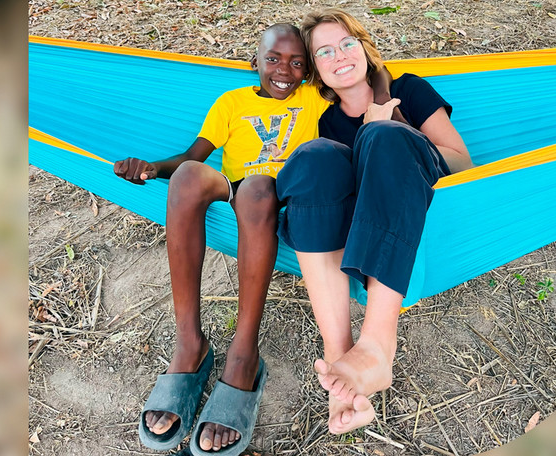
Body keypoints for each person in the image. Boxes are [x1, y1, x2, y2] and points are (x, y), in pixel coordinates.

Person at [113, 23, 394, 454]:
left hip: (285, 196)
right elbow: (193, 156)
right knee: (189, 176)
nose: (285, 70)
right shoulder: (231, 102)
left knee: (260, 185)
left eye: (298, 62)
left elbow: (371, 74)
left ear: (309, 71)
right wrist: (151, 167)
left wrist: (379, 101)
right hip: (234, 187)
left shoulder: (315, 96)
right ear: (254, 62)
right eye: (274, 59)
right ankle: (190, 343)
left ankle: (243, 355)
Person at [276, 9, 473, 435]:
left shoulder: (407, 89)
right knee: (314, 158)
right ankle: (342, 365)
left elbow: (461, 163)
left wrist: (390, 124)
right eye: (324, 51)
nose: (339, 56)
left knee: (382, 137)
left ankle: (379, 341)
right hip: (363, 227)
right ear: (315, 72)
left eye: (347, 43)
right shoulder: (323, 121)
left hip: (422, 196)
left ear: (364, 49)